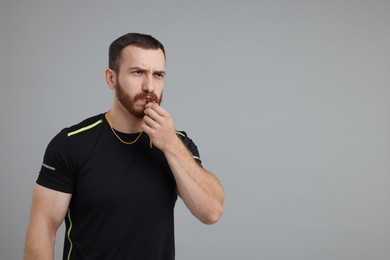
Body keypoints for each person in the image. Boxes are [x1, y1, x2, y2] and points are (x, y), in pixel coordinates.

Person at [24, 32, 224, 260]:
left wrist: (170, 145)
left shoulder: (178, 145)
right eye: (138, 72)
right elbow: (43, 228)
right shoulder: (71, 143)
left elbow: (211, 212)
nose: (149, 86)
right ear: (111, 78)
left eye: (158, 75)